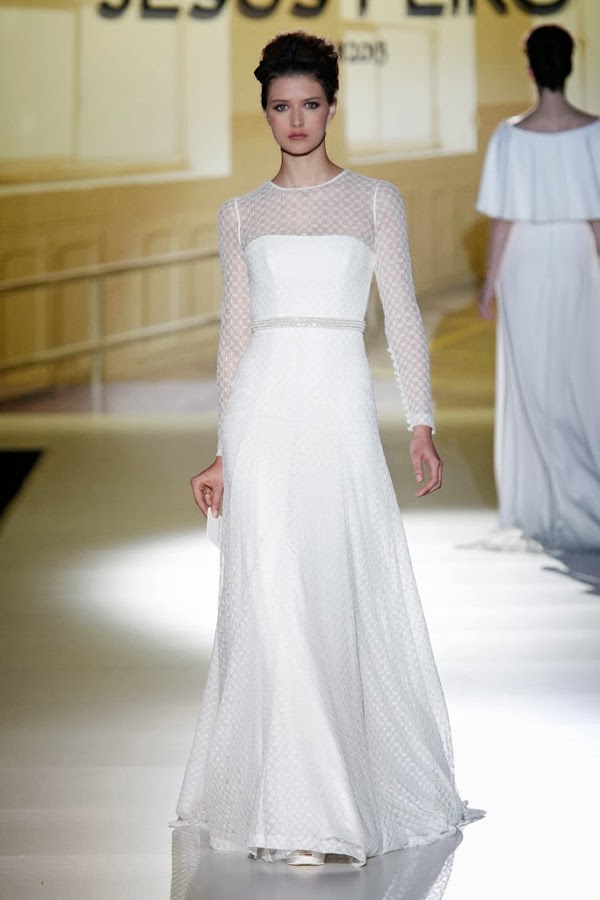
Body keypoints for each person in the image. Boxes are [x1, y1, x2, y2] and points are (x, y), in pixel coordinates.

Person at [172, 31, 483, 867]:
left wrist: (420, 422)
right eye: (281, 106)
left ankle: (332, 798)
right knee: (273, 594)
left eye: (310, 104)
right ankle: (307, 816)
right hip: (263, 412)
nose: (297, 119)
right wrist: (223, 450)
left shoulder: (376, 200)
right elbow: (235, 339)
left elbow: (403, 314)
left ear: (332, 107)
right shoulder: (240, 214)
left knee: (330, 589)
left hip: (339, 411)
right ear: (265, 111)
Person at [476, 24, 600, 553]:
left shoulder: (509, 135)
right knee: (581, 374)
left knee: (532, 382)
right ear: (570, 65)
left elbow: (503, 217)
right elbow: (598, 217)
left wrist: (489, 283)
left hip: (523, 260)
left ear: (530, 68)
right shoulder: (595, 132)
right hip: (576, 255)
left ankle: (543, 505)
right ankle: (586, 496)